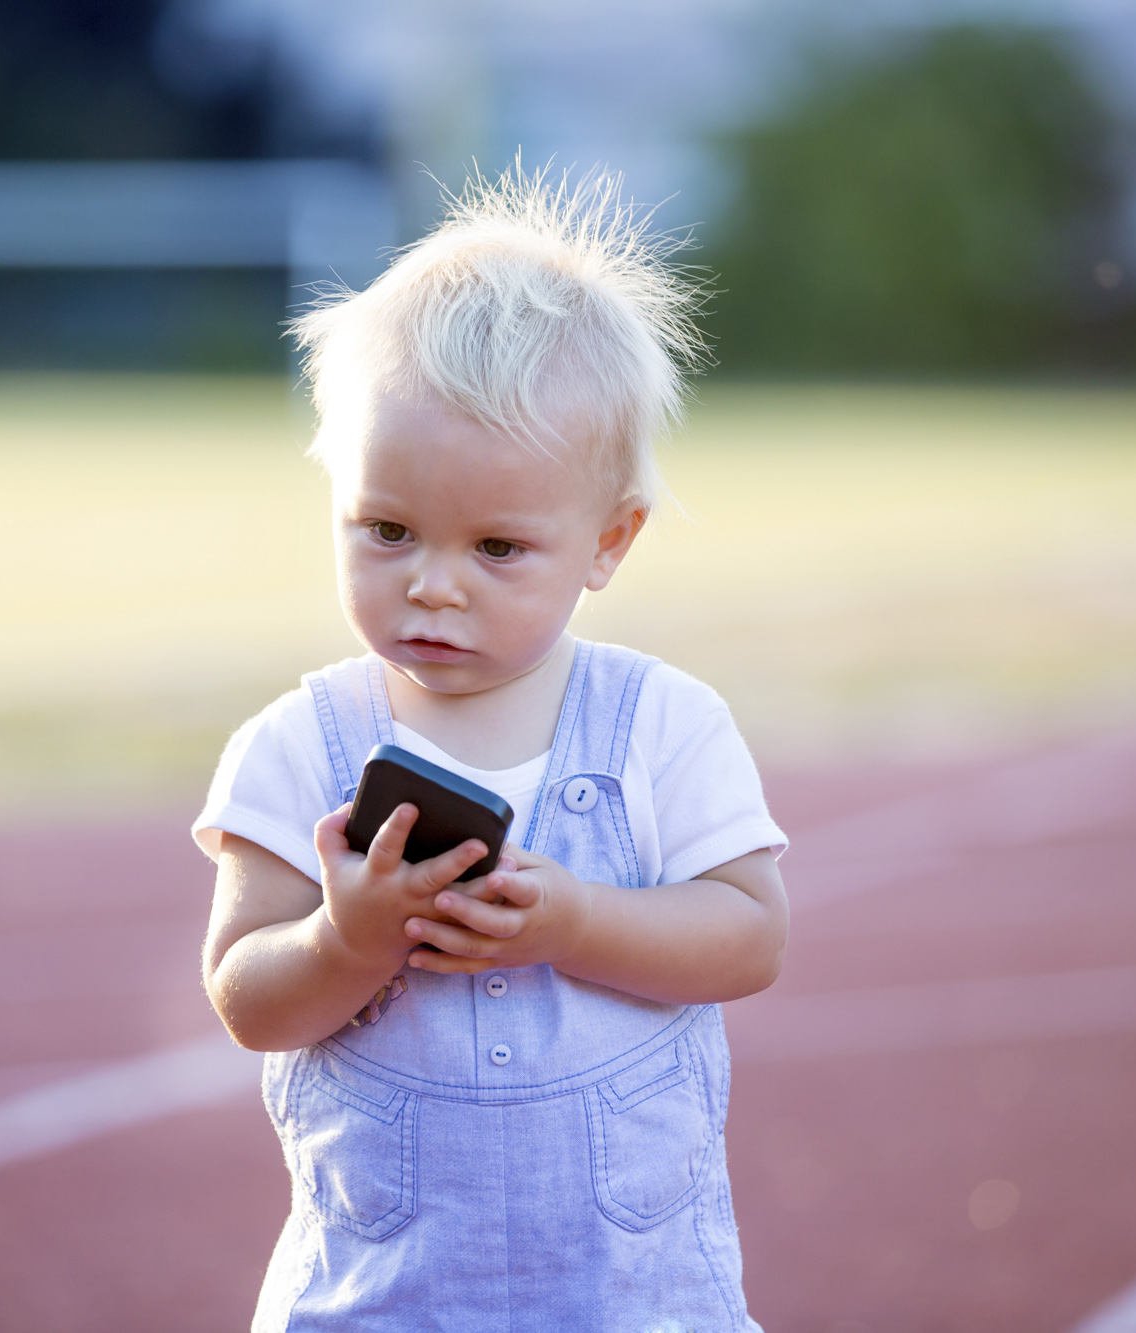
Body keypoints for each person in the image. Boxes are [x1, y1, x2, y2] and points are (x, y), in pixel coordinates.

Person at [193, 164, 789, 1331]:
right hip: (381, 1299)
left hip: (629, 1296)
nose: (432, 585)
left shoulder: (662, 729)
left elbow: (749, 937)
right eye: (386, 529)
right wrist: (342, 938)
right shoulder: (296, 748)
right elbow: (245, 997)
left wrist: (576, 919)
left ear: (606, 543)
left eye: (497, 548)